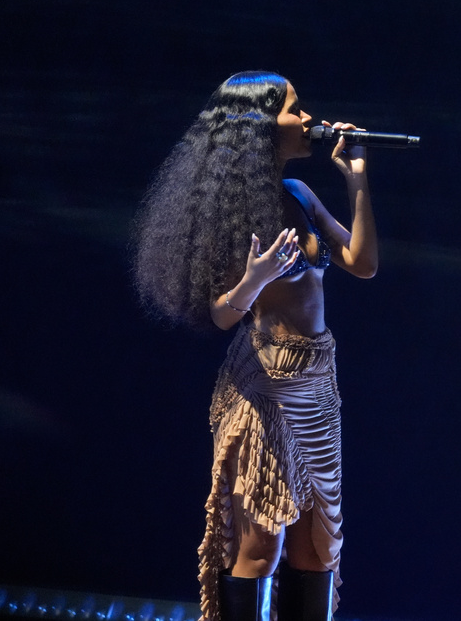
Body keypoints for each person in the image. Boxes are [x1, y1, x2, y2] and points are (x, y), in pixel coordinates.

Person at [133, 71, 378, 621]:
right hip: (263, 386)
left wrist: (357, 178)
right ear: (259, 127)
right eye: (296, 109)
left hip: (315, 384)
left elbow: (362, 263)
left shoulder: (299, 193)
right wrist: (255, 280)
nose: (309, 118)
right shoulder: (233, 211)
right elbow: (222, 315)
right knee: (259, 547)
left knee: (317, 551)